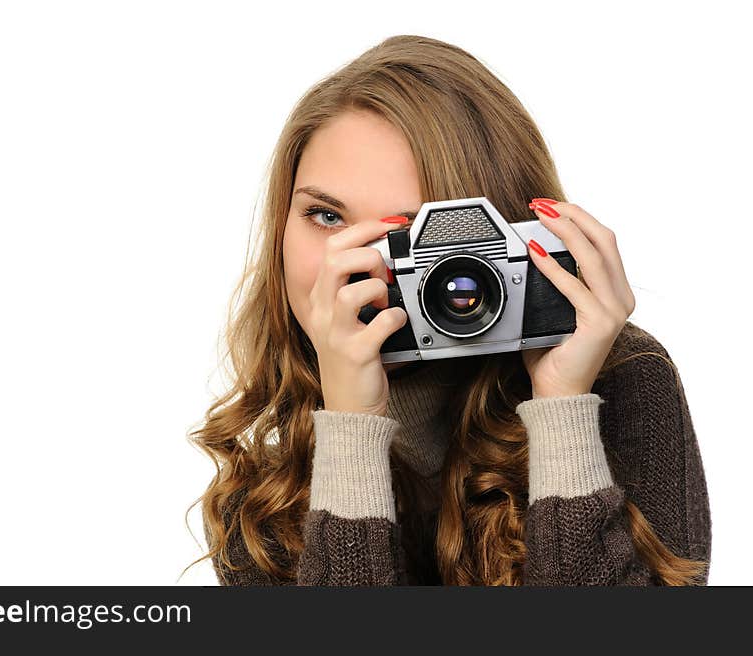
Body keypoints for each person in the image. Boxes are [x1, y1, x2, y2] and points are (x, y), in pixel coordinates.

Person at [184, 34, 711, 585]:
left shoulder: (621, 378)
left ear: (501, 241)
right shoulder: (264, 489)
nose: (355, 263)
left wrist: (563, 412)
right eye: (327, 217)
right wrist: (351, 434)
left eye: (408, 234)